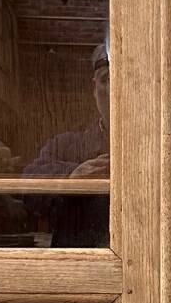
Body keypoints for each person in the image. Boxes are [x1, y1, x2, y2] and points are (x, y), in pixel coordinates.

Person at [24, 38, 110, 247]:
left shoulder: (157, 146)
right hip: (78, 267)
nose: (114, 89)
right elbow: (28, 189)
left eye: (126, 79)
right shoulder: (65, 145)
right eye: (106, 79)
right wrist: (71, 177)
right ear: (94, 87)